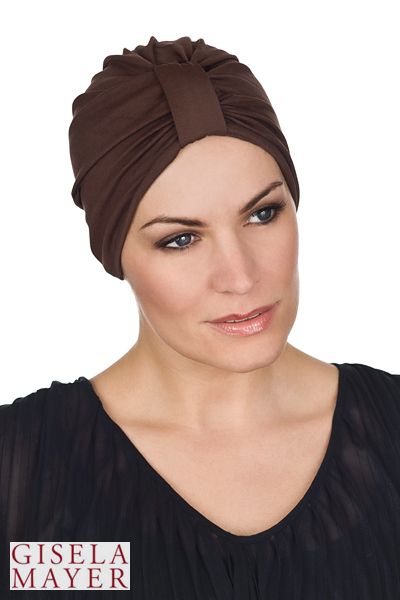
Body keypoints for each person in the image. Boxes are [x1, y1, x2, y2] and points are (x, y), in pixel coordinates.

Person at [1, 35, 400, 599]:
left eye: (263, 213)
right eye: (181, 239)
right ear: (116, 253)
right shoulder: (21, 468)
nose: (239, 276)